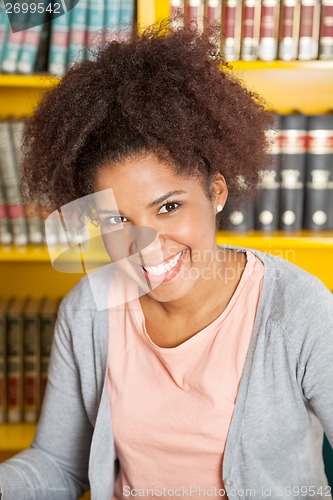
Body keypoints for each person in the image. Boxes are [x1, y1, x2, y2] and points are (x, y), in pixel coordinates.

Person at [1, 18, 333, 500]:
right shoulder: (88, 311)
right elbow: (58, 465)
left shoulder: (298, 310)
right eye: (117, 221)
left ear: (216, 190)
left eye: (169, 207)